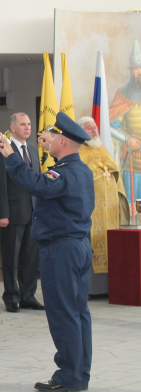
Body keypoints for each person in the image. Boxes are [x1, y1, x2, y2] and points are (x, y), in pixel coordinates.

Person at [0, 112, 94, 392]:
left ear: (62, 141)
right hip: (77, 246)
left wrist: (12, 157)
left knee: (64, 314)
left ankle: (68, 377)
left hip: (61, 249)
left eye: (52, 136)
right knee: (78, 313)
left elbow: (35, 184)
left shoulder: (63, 172)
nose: (47, 139)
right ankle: (79, 373)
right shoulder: (81, 170)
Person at [0, 112, 44, 313]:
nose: (27, 128)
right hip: (12, 212)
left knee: (30, 256)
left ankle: (28, 296)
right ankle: (11, 296)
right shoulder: (2, 149)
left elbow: (35, 179)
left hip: (32, 210)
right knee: (11, 256)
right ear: (13, 128)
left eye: (29, 124)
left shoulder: (32, 149)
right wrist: (2, 213)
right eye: (23, 124)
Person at [78, 116, 129, 296]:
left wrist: (121, 198)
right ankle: (93, 290)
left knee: (112, 245)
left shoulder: (103, 149)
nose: (94, 131)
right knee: (94, 244)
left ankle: (111, 288)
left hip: (111, 210)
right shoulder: (79, 152)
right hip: (93, 210)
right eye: (89, 128)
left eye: (95, 127)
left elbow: (114, 174)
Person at [109, 39, 141, 218]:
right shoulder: (122, 94)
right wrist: (128, 139)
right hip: (133, 162)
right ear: (131, 71)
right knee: (132, 211)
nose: (139, 72)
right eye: (136, 68)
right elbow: (111, 125)